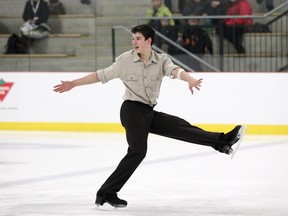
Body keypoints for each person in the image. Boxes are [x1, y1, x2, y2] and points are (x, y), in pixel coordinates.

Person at [53, 24, 246, 208]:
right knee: (138, 151)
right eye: (132, 39)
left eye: (138, 38)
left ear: (148, 41)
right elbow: (100, 75)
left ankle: (222, 142)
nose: (134, 42)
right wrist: (73, 83)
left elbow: (175, 71)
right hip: (131, 110)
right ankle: (105, 193)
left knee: (181, 126)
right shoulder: (124, 60)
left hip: (148, 112)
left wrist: (189, 79)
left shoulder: (161, 60)